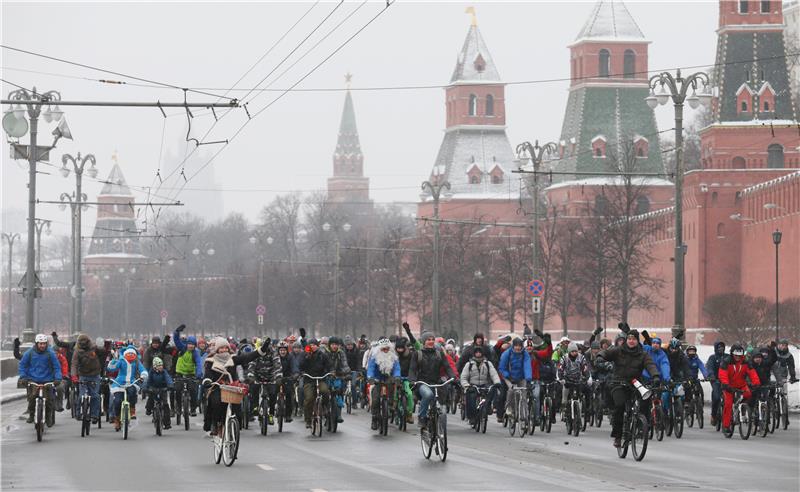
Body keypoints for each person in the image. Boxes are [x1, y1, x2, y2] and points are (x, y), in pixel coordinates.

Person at [596, 329, 660, 448]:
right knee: (619, 406)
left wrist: (655, 376)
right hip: (618, 382)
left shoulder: (643, 354)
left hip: (635, 383)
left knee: (645, 400)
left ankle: (642, 425)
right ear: (627, 340)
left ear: (637, 341)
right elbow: (606, 353)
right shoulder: (618, 350)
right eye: (629, 339)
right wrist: (600, 356)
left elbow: (650, 365)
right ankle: (618, 436)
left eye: (634, 339)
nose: (631, 341)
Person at [202, 337, 265, 435]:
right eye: (221, 348)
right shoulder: (210, 361)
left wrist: (261, 350)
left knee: (236, 405)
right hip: (217, 387)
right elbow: (208, 374)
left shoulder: (233, 359)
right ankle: (217, 423)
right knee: (216, 402)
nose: (224, 350)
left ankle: (234, 424)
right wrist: (207, 381)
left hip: (231, 386)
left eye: (226, 348)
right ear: (217, 349)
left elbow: (247, 357)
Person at [409, 332, 457, 428]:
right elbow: (412, 369)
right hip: (422, 383)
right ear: (423, 342)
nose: (431, 342)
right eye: (428, 340)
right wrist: (412, 380)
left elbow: (447, 367)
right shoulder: (418, 354)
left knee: (439, 401)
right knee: (428, 395)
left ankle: (436, 423)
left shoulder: (439, 354)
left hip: (436, 382)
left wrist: (453, 377)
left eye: (432, 340)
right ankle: (422, 417)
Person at [18, 334, 61, 426]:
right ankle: (31, 415)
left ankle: (48, 417)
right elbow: (22, 365)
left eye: (44, 343)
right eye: (40, 344)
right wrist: (23, 376)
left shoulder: (51, 353)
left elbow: (57, 367)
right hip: (33, 379)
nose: (42, 345)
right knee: (32, 398)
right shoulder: (29, 353)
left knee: (49, 400)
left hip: (47, 379)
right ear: (36, 343)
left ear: (46, 344)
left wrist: (57, 378)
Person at [719, 344, 760, 433]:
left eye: (739, 355)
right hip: (729, 386)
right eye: (736, 355)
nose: (737, 357)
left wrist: (756, 383)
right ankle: (726, 425)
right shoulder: (726, 362)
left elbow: (752, 372)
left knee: (749, 393)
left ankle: (742, 408)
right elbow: (722, 374)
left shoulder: (746, 361)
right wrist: (725, 384)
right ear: (732, 354)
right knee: (728, 404)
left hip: (741, 385)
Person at [70, 334, 109, 424]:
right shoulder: (77, 351)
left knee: (95, 395)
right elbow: (74, 364)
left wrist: (103, 345)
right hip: (83, 375)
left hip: (95, 375)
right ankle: (78, 413)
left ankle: (94, 415)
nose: (83, 344)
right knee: (81, 395)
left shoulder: (94, 348)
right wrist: (74, 376)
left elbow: (103, 351)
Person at [107, 347, 148, 431]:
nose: (130, 357)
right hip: (119, 383)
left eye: (132, 356)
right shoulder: (121, 361)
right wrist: (113, 361)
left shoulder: (136, 362)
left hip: (131, 382)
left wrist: (143, 375)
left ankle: (132, 409)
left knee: (132, 392)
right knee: (117, 401)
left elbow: (142, 370)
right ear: (125, 355)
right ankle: (117, 419)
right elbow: (112, 368)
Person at [460, 345, 500, 426]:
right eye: (476, 352)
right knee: (470, 398)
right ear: (474, 354)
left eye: (480, 352)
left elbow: (494, 374)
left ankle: (488, 407)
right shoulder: (469, 364)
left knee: (492, 390)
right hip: (472, 385)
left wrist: (497, 382)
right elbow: (463, 377)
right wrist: (466, 385)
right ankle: (471, 417)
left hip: (484, 384)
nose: (478, 354)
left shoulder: (488, 364)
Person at [366, 338, 401, 430]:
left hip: (389, 379)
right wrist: (370, 377)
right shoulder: (374, 356)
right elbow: (370, 368)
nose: (385, 350)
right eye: (383, 349)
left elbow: (397, 368)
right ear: (379, 349)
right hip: (377, 379)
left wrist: (397, 376)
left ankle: (389, 407)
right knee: (375, 399)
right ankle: (374, 418)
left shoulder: (393, 357)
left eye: (387, 349)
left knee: (392, 394)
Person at [246, 338, 282, 424]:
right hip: (258, 377)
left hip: (271, 377)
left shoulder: (274, 353)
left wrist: (278, 377)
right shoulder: (256, 353)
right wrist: (251, 377)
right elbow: (251, 365)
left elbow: (277, 366)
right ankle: (255, 407)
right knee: (253, 388)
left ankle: (271, 414)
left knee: (273, 394)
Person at [300, 338, 333, 429]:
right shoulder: (305, 355)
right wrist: (307, 358)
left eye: (314, 345)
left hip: (321, 378)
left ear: (317, 346)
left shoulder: (322, 355)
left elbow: (329, 365)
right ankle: (308, 420)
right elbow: (301, 366)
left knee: (325, 391)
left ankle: (325, 406)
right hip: (309, 380)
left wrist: (331, 372)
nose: (312, 347)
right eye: (311, 345)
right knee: (309, 398)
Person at [497, 338, 533, 422]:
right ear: (513, 346)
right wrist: (508, 377)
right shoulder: (507, 354)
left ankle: (523, 414)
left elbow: (527, 366)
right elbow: (502, 368)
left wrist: (528, 379)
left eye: (519, 346)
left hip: (521, 377)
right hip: (509, 376)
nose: (518, 348)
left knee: (523, 394)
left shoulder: (525, 354)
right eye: (516, 346)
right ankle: (509, 408)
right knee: (511, 390)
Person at [172, 325, 203, 416]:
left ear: (195, 345)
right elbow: (176, 340)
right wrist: (177, 332)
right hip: (180, 373)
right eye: (189, 344)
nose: (190, 346)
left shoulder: (196, 353)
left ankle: (193, 409)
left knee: (193, 390)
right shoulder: (182, 348)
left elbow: (198, 363)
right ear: (187, 344)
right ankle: (178, 407)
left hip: (190, 374)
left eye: (192, 344)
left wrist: (198, 374)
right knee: (177, 389)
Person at [558, 342, 590, 417]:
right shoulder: (564, 358)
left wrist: (586, 377)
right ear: (569, 351)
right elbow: (560, 369)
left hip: (578, 380)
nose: (574, 353)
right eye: (572, 351)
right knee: (564, 398)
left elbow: (585, 368)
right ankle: (564, 410)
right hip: (567, 380)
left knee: (580, 396)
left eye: (575, 351)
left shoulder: (581, 357)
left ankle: (580, 411)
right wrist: (561, 378)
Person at [143, 357, 173, 429]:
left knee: (165, 405)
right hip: (154, 389)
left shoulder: (164, 372)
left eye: (161, 365)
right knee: (151, 399)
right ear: (155, 366)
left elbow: (168, 379)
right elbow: (148, 381)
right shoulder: (151, 372)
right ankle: (148, 409)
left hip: (163, 389)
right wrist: (145, 388)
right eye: (159, 366)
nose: (161, 367)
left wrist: (170, 385)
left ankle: (167, 423)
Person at [328, 336, 351, 423]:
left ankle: (339, 414)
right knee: (325, 392)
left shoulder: (341, 353)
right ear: (329, 345)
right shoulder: (325, 353)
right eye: (333, 344)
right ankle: (324, 410)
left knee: (340, 392)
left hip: (338, 375)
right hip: (327, 376)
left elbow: (344, 364)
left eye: (336, 345)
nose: (334, 346)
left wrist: (347, 373)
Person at [394, 337, 415, 424]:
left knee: (409, 394)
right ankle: (394, 410)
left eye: (401, 348)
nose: (400, 350)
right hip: (396, 379)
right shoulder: (393, 356)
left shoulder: (410, 355)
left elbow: (412, 367)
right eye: (398, 348)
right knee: (394, 395)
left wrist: (411, 377)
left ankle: (409, 414)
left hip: (406, 378)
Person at [705, 341, 726, 426]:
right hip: (715, 380)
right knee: (716, 397)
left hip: (726, 380)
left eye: (722, 347)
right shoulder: (712, 358)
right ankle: (713, 415)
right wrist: (711, 376)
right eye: (719, 347)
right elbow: (709, 368)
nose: (721, 349)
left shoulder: (727, 357)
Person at [275, 341, 294, 422]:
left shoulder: (290, 358)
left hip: (287, 378)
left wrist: (294, 375)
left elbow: (294, 367)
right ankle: (271, 409)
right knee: (272, 393)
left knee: (289, 395)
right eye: (281, 350)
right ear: (278, 351)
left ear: (287, 350)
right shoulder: (275, 358)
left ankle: (288, 415)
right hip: (276, 378)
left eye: (284, 350)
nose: (283, 352)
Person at [684, 345, 707, 409]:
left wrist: (706, 375)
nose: (691, 353)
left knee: (700, 390)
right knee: (687, 389)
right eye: (690, 351)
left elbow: (702, 367)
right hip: (687, 379)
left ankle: (700, 405)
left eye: (693, 351)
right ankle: (687, 402)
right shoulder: (685, 359)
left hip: (695, 378)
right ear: (687, 352)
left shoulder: (697, 359)